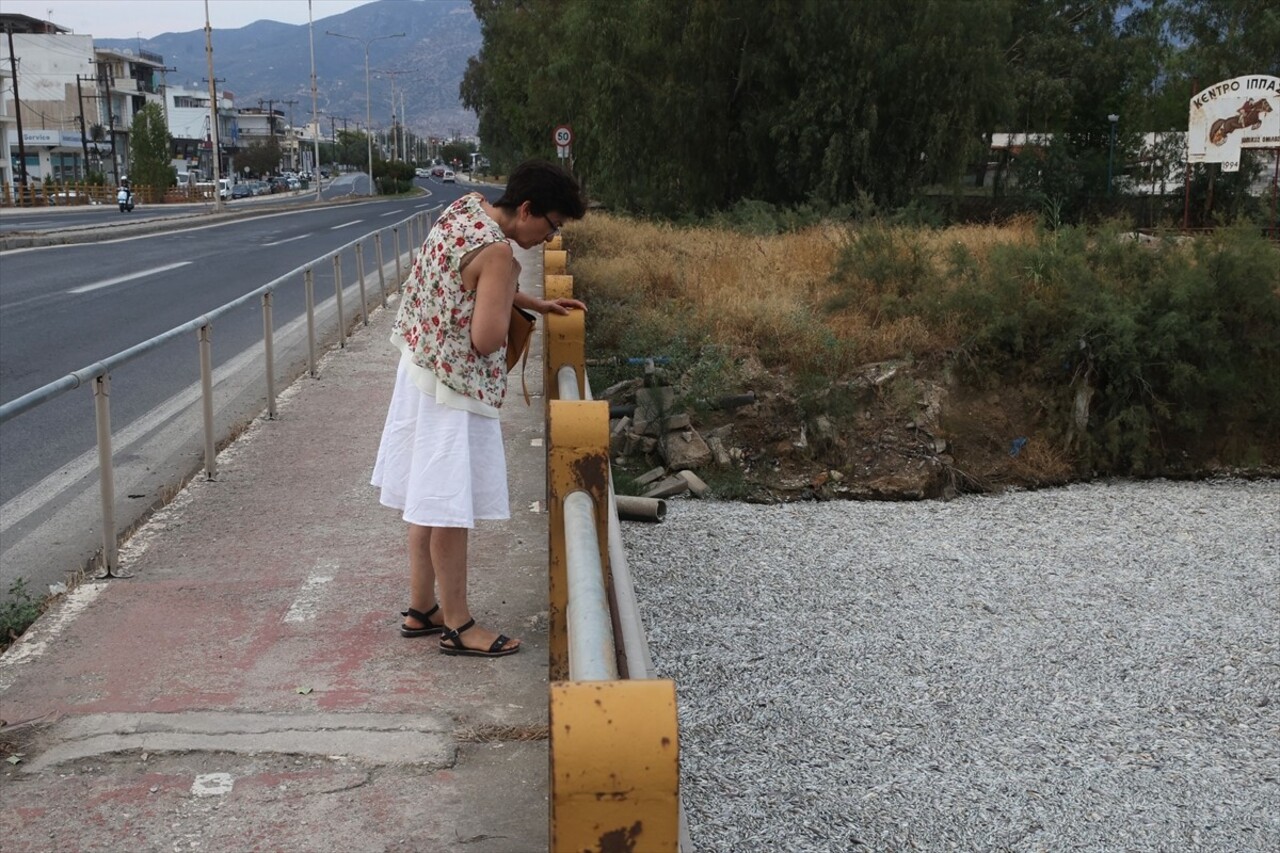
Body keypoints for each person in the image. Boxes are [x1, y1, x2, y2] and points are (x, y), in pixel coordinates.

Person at [371, 160, 587, 658]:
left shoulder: (465, 209)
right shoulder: (499, 255)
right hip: (453, 391)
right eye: (551, 226)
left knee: (424, 498)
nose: (548, 238)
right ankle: (459, 625)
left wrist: (532, 301)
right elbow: (486, 337)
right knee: (449, 507)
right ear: (528, 209)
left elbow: (461, 280)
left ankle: (422, 608)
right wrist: (511, 286)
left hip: (419, 372)